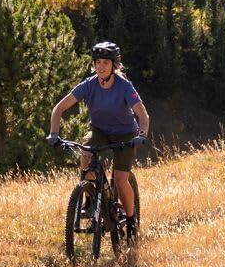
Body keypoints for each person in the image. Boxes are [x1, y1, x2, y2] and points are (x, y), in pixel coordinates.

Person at [46, 41, 149, 231]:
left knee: (120, 180)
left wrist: (141, 134)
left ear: (114, 65)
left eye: (106, 63)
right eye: (98, 62)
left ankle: (130, 220)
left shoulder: (124, 86)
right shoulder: (89, 84)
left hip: (125, 134)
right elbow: (59, 108)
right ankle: (89, 199)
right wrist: (54, 133)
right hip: (99, 130)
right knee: (86, 154)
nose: (101, 67)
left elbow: (143, 115)